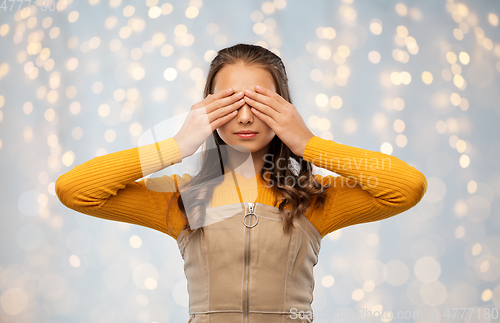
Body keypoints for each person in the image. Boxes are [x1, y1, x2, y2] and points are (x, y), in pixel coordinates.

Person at [55, 43, 428, 323]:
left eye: (260, 102)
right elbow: (75, 190)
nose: (246, 116)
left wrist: (308, 143)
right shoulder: (181, 198)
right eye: (231, 102)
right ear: (208, 107)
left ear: (284, 106)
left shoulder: (314, 199)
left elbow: (406, 186)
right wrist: (177, 145)